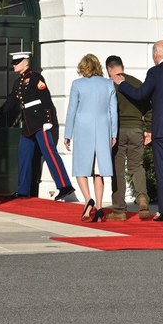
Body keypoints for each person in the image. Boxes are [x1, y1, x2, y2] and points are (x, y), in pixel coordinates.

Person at [112, 40, 163, 222]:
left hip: (162, 128)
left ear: (156, 54)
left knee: (162, 168)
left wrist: (122, 84)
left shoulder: (155, 72)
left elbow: (141, 94)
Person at [0, 51, 75, 201]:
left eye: (17, 62)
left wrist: (48, 120)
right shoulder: (18, 82)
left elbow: (45, 98)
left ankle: (65, 186)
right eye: (13, 62)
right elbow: (10, 103)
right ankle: (23, 190)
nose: (14, 65)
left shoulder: (35, 77)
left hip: (40, 122)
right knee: (23, 155)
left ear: (25, 62)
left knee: (49, 153)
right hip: (28, 124)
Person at [64, 54, 118, 222]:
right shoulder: (108, 84)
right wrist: (114, 133)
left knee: (81, 167)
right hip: (103, 128)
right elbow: (113, 111)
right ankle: (100, 208)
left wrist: (67, 134)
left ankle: (88, 200)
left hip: (83, 128)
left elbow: (72, 110)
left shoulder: (77, 84)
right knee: (99, 170)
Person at [105, 55, 153, 221]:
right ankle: (142, 198)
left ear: (109, 69)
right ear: (122, 67)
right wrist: (148, 130)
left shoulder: (109, 85)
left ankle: (119, 210)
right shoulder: (136, 82)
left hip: (117, 132)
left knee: (117, 169)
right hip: (136, 130)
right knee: (136, 166)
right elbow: (148, 108)